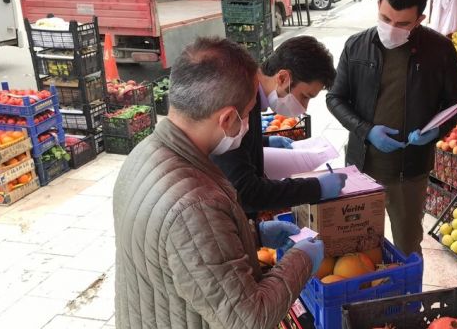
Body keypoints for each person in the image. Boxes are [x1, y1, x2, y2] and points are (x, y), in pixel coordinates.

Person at [113, 37, 324, 329]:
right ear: (226, 119)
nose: (247, 125)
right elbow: (249, 319)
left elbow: (188, 257)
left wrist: (252, 236)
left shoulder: (144, 153)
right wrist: (302, 260)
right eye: (246, 115)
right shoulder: (195, 205)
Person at [326, 0, 457, 256]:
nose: (391, 28)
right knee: (357, 248)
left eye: (402, 24)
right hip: (362, 166)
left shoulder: (439, 51)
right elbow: (335, 98)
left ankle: (407, 286)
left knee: (408, 246)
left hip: (409, 172)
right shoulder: (356, 46)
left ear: (419, 20)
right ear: (378, 4)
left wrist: (436, 131)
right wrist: (366, 130)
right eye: (385, 18)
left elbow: (455, 103)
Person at [211, 36, 346, 214]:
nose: (304, 107)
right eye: (305, 96)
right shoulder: (239, 103)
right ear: (282, 78)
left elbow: (237, 148)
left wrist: (264, 141)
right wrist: (315, 188)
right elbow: (245, 191)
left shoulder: (251, 96)